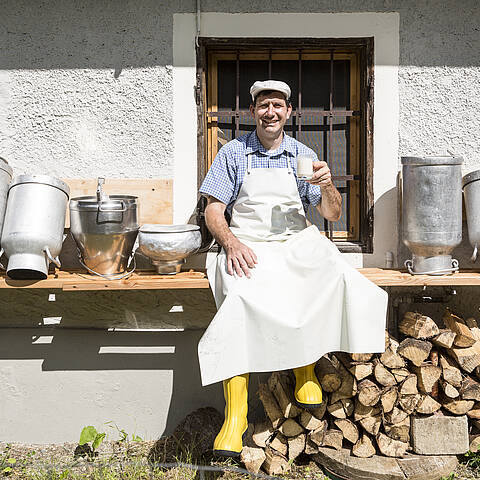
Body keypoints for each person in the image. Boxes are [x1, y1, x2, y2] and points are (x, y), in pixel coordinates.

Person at [198, 80, 388, 457]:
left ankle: (306, 370)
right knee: (239, 301)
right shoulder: (233, 153)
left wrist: (329, 184)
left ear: (288, 112)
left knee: (330, 275)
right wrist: (231, 244)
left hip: (294, 243)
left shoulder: (303, 154)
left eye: (278, 105)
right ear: (253, 112)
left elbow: (330, 212)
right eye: (264, 105)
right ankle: (235, 417)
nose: (271, 112)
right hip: (248, 245)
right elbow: (213, 210)